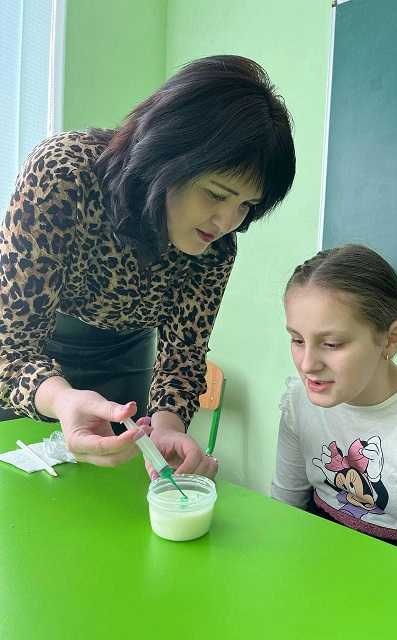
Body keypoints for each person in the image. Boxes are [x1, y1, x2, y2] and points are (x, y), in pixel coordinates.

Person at [0, 55, 295, 475]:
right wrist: (62, 399)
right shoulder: (64, 173)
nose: (228, 222)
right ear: (166, 157)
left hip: (125, 358)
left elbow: (183, 355)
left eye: (246, 204)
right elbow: (10, 347)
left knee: (116, 485)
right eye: (215, 194)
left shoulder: (216, 244)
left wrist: (169, 427)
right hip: (31, 355)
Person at [272, 244, 397, 575]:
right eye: (297, 340)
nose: (307, 364)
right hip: (315, 576)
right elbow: (283, 515)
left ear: (391, 338)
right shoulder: (299, 402)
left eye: (331, 344)